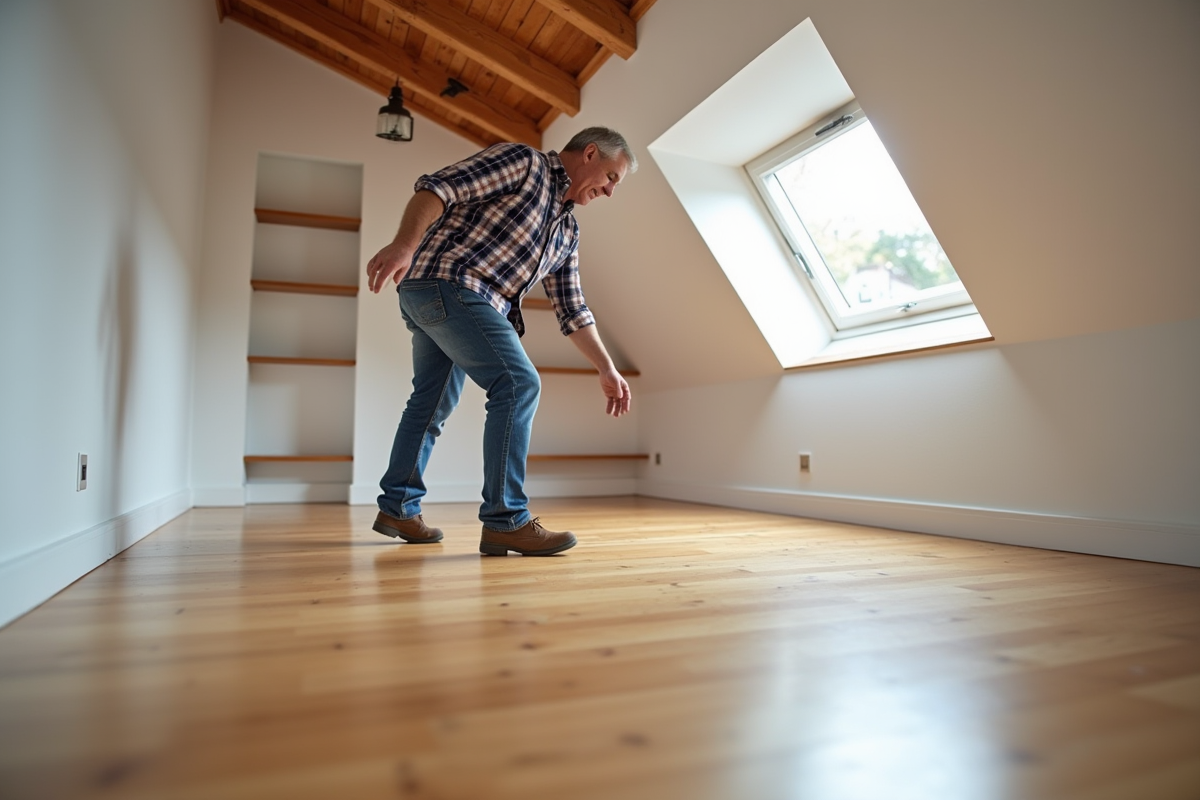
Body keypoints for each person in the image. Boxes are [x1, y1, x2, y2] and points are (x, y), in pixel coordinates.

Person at [365, 127, 636, 557]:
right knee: (518, 383)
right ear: (590, 154)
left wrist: (606, 367)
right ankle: (505, 519)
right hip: (450, 283)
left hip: (438, 295)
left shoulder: (567, 231)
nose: (610, 191)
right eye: (611, 178)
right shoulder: (525, 165)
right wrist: (404, 244)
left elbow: (572, 307)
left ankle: (398, 507)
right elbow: (437, 189)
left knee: (431, 403)